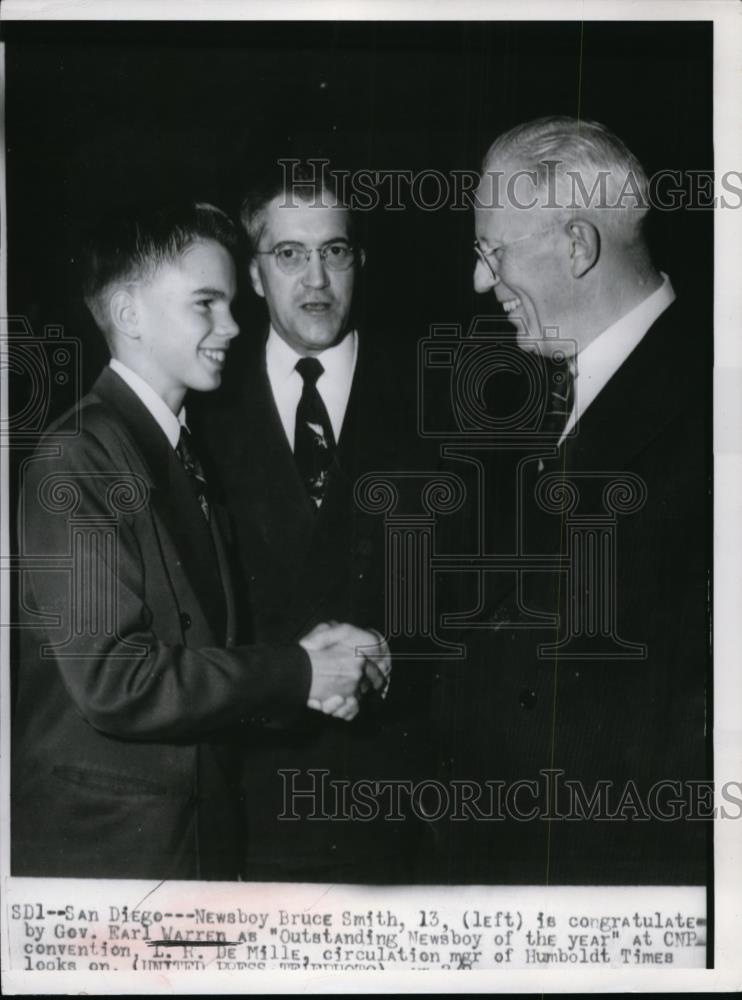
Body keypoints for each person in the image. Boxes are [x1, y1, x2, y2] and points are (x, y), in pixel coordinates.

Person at [11, 201, 384, 881]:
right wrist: (298, 672)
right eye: (205, 304)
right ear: (128, 315)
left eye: (232, 303)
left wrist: (311, 671)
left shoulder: (170, 449)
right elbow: (114, 681)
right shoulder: (76, 458)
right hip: (111, 858)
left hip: (190, 846)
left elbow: (204, 661)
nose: (235, 326)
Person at [433, 117, 710, 884]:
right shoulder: (544, 392)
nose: (481, 283)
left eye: (495, 253)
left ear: (578, 246)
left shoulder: (715, 408)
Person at [197, 163, 434, 883]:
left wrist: (398, 661)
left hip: (403, 798)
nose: (316, 280)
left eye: (334, 251)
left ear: (359, 260)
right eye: (289, 255)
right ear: (253, 272)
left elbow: (479, 594)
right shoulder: (199, 404)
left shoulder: (436, 396)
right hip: (251, 799)